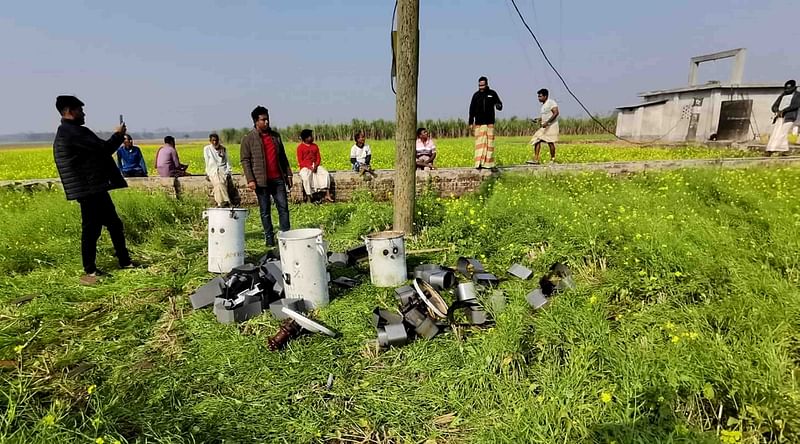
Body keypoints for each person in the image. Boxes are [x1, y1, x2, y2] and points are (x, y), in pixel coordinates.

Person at [52, 95, 136, 285]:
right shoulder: (73, 132)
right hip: (88, 189)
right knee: (92, 229)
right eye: (80, 110)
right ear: (70, 111)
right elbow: (104, 149)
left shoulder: (67, 131)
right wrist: (118, 134)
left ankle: (124, 262)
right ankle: (90, 270)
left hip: (91, 187)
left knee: (113, 224)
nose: (84, 114)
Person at [240, 106, 293, 248]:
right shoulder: (248, 139)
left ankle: (286, 237)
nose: (267, 122)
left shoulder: (275, 136)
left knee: (283, 208)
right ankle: (269, 239)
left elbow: (282, 156)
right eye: (263, 119)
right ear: (256, 121)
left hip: (278, 179)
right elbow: (245, 160)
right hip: (261, 181)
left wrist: (288, 174)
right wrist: (250, 179)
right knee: (265, 211)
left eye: (267, 118)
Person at [468, 76, 503, 170]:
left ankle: (489, 164)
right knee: (480, 144)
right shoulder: (476, 95)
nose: (481, 87)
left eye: (483, 85)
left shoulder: (492, 93)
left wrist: (498, 106)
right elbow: (471, 109)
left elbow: (499, 104)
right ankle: (478, 163)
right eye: (479, 85)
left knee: (489, 144)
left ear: (486, 84)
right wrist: (471, 122)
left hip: (489, 122)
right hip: (479, 123)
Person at [296, 129, 334, 202]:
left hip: (315, 165)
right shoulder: (300, 148)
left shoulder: (315, 146)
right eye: (310, 136)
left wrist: (315, 166)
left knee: (325, 173)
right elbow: (301, 161)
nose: (312, 138)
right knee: (306, 177)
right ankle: (309, 196)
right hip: (305, 167)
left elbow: (318, 158)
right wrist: (309, 167)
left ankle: (327, 194)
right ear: (306, 138)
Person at [203, 133, 240, 207]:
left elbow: (227, 161)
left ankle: (220, 203)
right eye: (213, 141)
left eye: (216, 140)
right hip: (212, 171)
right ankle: (226, 201)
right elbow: (207, 162)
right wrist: (207, 172)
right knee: (219, 184)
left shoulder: (223, 149)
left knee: (220, 184)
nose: (215, 142)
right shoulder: (207, 149)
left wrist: (229, 171)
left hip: (223, 171)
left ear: (218, 140)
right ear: (210, 141)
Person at [766, 80, 800, 154]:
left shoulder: (798, 95)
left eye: (789, 88)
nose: (787, 90)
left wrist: (784, 110)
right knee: (776, 133)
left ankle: (778, 149)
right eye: (786, 89)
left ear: (794, 88)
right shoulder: (783, 95)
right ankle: (776, 148)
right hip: (779, 117)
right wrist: (777, 111)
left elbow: (795, 105)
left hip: (789, 117)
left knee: (782, 132)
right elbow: (774, 106)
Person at [528, 88, 560, 164]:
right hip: (544, 126)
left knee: (550, 142)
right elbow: (546, 115)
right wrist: (538, 119)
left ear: (545, 96)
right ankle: (536, 159)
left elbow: (556, 113)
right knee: (536, 139)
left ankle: (552, 159)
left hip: (551, 126)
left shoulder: (551, 102)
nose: (539, 98)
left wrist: (547, 122)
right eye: (538, 96)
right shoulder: (543, 106)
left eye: (540, 96)